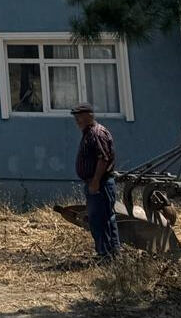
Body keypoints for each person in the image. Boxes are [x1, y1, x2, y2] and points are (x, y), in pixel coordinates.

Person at [72, 103, 120, 259]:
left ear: (90, 115)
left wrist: (95, 182)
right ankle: (108, 254)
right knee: (100, 219)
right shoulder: (89, 133)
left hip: (100, 184)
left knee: (101, 219)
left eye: (80, 116)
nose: (77, 120)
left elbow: (103, 158)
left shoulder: (97, 133)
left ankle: (108, 255)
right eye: (76, 117)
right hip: (95, 183)